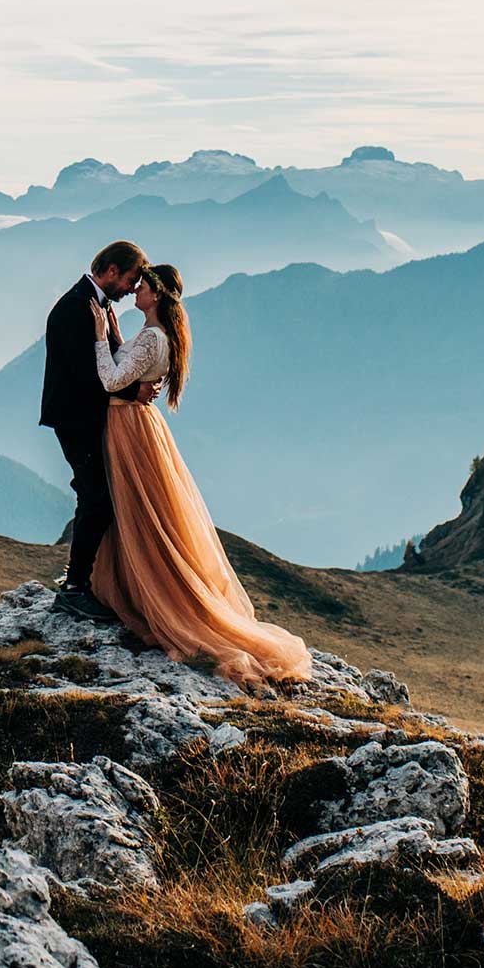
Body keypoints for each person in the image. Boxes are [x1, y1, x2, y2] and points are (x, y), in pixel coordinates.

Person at [85, 263, 312, 688]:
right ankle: (132, 588)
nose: (135, 290)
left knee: (138, 513)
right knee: (140, 513)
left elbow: (110, 377)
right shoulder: (155, 335)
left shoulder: (154, 337)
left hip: (128, 427)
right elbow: (128, 366)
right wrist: (116, 334)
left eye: (143, 286)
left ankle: (149, 596)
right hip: (137, 423)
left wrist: (99, 336)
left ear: (156, 295)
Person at [40, 239, 155, 621]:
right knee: (96, 497)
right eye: (129, 280)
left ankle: (89, 581)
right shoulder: (75, 308)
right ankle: (75, 588)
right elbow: (86, 376)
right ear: (111, 272)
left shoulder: (98, 306)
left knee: (97, 495)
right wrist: (133, 389)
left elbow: (107, 361)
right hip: (75, 418)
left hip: (88, 416)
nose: (130, 289)